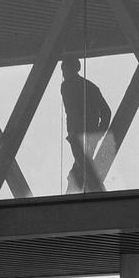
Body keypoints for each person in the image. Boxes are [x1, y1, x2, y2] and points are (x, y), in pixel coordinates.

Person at [60, 55, 112, 194]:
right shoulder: (90, 87)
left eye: (64, 70)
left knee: (82, 169)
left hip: (78, 135)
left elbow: (71, 113)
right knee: (81, 169)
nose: (63, 74)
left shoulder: (67, 87)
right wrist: (99, 132)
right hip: (87, 134)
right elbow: (106, 111)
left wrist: (73, 133)